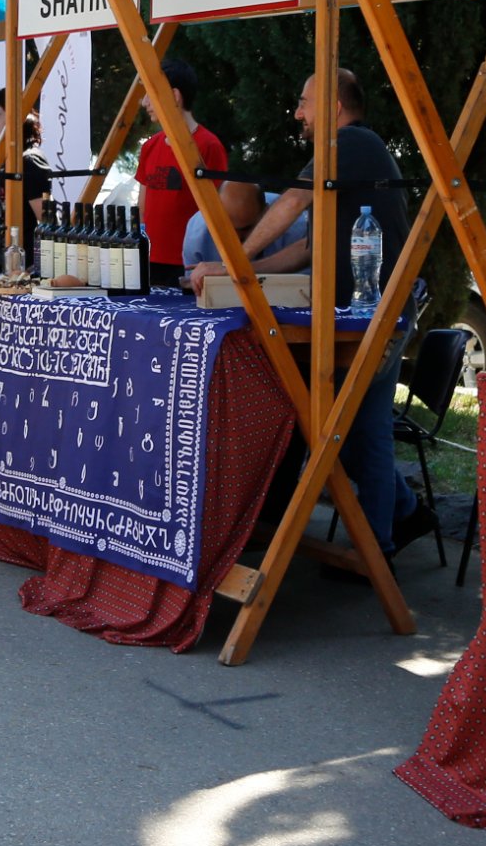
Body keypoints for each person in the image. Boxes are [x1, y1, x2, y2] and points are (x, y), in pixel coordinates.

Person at [189, 69, 435, 556]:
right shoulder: (347, 155)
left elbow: (294, 200)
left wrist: (232, 263)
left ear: (333, 106)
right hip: (354, 315)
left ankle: (376, 551)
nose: (298, 113)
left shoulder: (352, 143)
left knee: (362, 431)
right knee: (345, 427)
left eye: (304, 102)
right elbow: (306, 248)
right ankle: (404, 515)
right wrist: (242, 271)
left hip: (375, 315)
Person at [136, 55, 229, 286]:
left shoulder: (209, 145)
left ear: (175, 96)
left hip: (189, 265)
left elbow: (219, 210)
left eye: (150, 93)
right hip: (148, 260)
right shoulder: (149, 146)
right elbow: (142, 207)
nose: (144, 102)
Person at [0, 88, 52, 254]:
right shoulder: (1, 162)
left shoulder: (29, 161)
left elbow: (49, 224)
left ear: (17, 118)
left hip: (22, 262)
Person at [181, 180, 309, 268]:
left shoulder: (299, 229)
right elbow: (194, 290)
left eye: (246, 229)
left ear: (267, 213)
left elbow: (305, 288)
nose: (236, 238)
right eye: (228, 229)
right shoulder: (197, 235)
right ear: (214, 215)